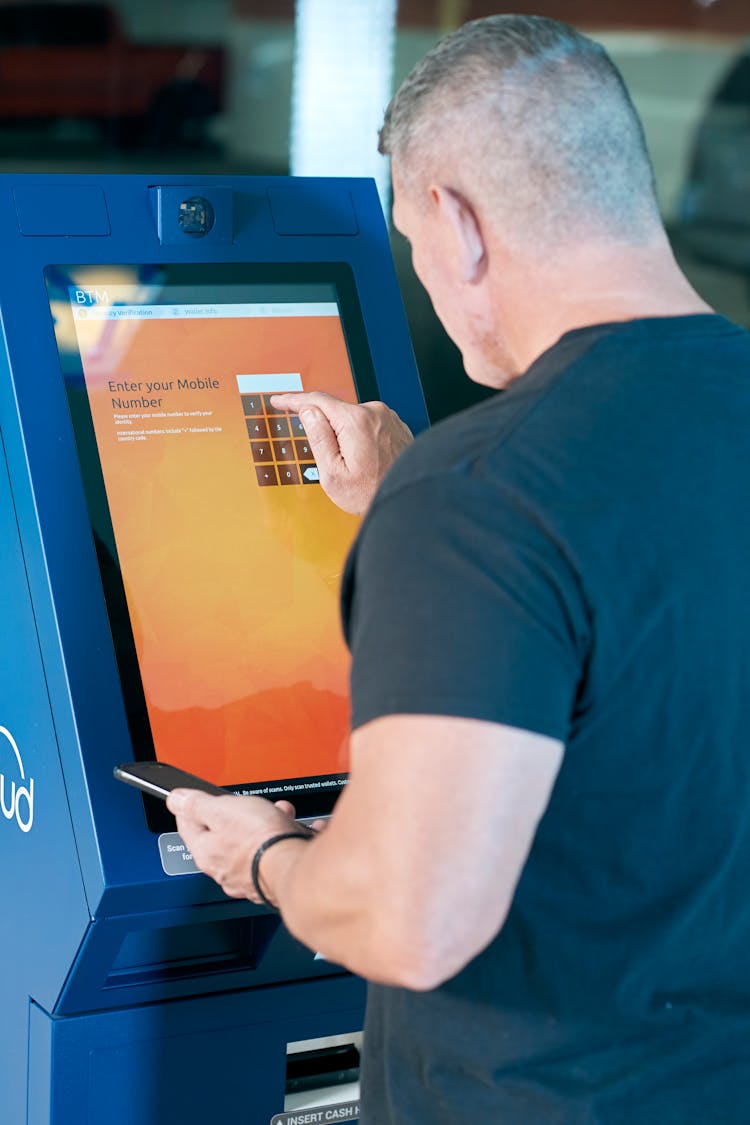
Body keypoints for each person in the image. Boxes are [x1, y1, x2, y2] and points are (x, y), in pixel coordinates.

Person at [168, 15, 750, 1122]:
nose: (425, 276)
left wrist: (271, 859)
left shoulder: (481, 490)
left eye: (412, 241)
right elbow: (646, 617)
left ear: (457, 221)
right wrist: (408, 504)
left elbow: (406, 918)